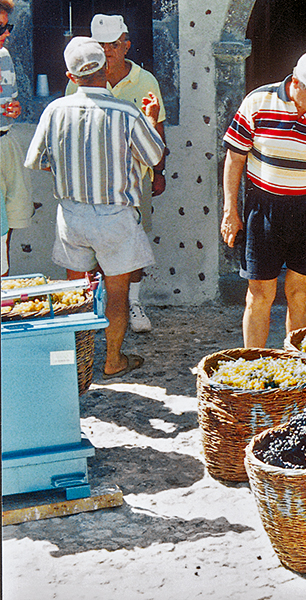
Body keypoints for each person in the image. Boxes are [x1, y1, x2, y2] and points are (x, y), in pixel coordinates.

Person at [24, 36, 164, 378]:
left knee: (75, 291)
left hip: (71, 214)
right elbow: (154, 156)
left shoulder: (55, 110)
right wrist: (149, 120)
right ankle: (113, 360)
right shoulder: (127, 112)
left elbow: (38, 160)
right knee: (117, 293)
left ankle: (76, 362)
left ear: (71, 77)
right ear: (105, 69)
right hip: (115, 215)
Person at [221, 51, 306, 348]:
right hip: (263, 208)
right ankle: (252, 362)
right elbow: (235, 158)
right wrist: (230, 210)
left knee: (301, 291)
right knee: (259, 293)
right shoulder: (258, 102)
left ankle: (298, 363)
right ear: (295, 83)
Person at [65, 14, 169, 332]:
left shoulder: (146, 80)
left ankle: (132, 303)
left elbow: (158, 129)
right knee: (90, 250)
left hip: (134, 183)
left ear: (126, 45)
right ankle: (93, 307)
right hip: (90, 183)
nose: (107, 51)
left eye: (113, 44)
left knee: (132, 246)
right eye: (100, 44)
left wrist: (159, 171)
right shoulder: (77, 80)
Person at [0, 0, 32, 276]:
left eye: (7, 26)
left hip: (6, 142)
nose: (7, 33)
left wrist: (15, 109)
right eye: (0, 28)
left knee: (10, 219)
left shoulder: (4, 56)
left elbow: (11, 102)